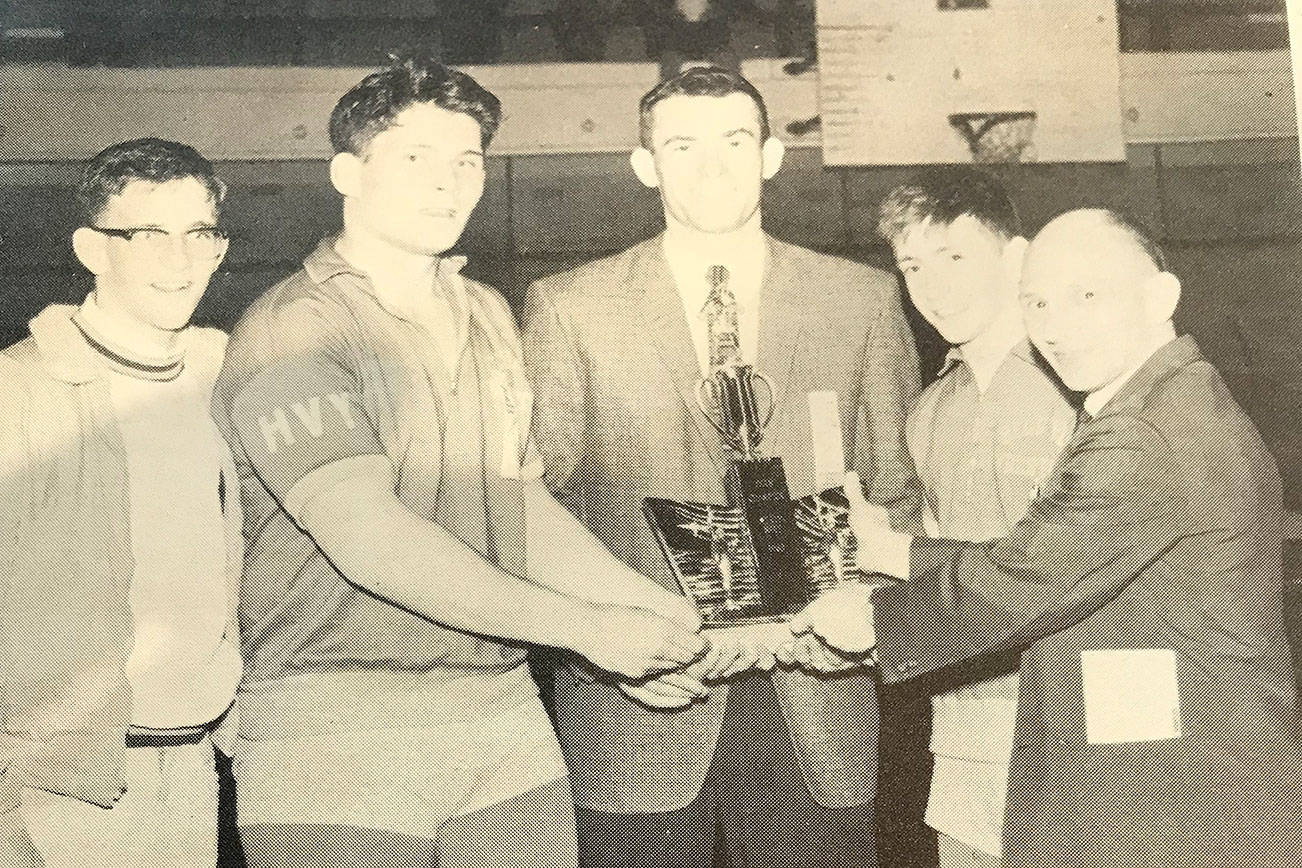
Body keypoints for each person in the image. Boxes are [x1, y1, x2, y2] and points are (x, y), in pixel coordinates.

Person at [210, 56, 709, 868]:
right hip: (337, 721)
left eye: (467, 160)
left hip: (499, 711)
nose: (448, 183)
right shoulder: (296, 328)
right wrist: (588, 631)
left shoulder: (484, 311)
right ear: (348, 172)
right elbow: (370, 539)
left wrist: (656, 615)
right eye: (415, 158)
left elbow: (516, 504)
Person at [793, 208, 1302, 868]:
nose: (1055, 326)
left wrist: (874, 620)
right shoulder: (1162, 402)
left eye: (1086, 296)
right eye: (1035, 303)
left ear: (1160, 296)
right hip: (1179, 784)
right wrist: (891, 552)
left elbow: (1021, 582)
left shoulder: (1143, 432)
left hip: (1179, 802)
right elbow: (1053, 560)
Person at [522, 65, 925, 868]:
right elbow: (533, 506)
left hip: (820, 692)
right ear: (647, 166)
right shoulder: (570, 307)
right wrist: (594, 644)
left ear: (772, 155)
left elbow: (901, 494)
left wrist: (862, 614)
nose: (712, 165)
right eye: (683, 144)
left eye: (735, 141)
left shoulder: (862, 299)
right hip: (641, 703)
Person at [0, 138, 243, 867]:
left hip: (195, 765)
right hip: (58, 789)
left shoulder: (224, 374)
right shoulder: (21, 391)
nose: (179, 260)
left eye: (198, 234)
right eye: (147, 235)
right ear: (91, 248)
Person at [872, 168, 1075, 868]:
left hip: (1077, 729)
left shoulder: (1082, 384)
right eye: (912, 265)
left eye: (955, 256)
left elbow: (1061, 570)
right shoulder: (930, 412)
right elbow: (937, 584)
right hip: (964, 736)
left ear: (1015, 258)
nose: (933, 285)